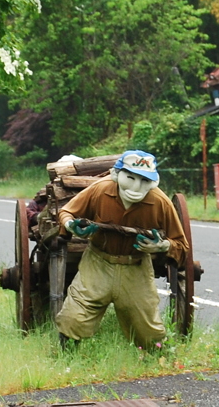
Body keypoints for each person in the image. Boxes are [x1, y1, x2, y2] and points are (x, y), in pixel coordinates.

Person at [54, 149, 189, 350]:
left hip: (136, 266)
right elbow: (67, 211)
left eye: (144, 180)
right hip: (97, 263)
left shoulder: (160, 202)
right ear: (117, 174)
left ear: (154, 181)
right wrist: (72, 226)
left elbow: (181, 245)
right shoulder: (100, 190)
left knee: (149, 331)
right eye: (130, 178)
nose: (136, 186)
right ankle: (67, 356)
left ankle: (156, 360)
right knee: (74, 317)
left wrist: (163, 246)